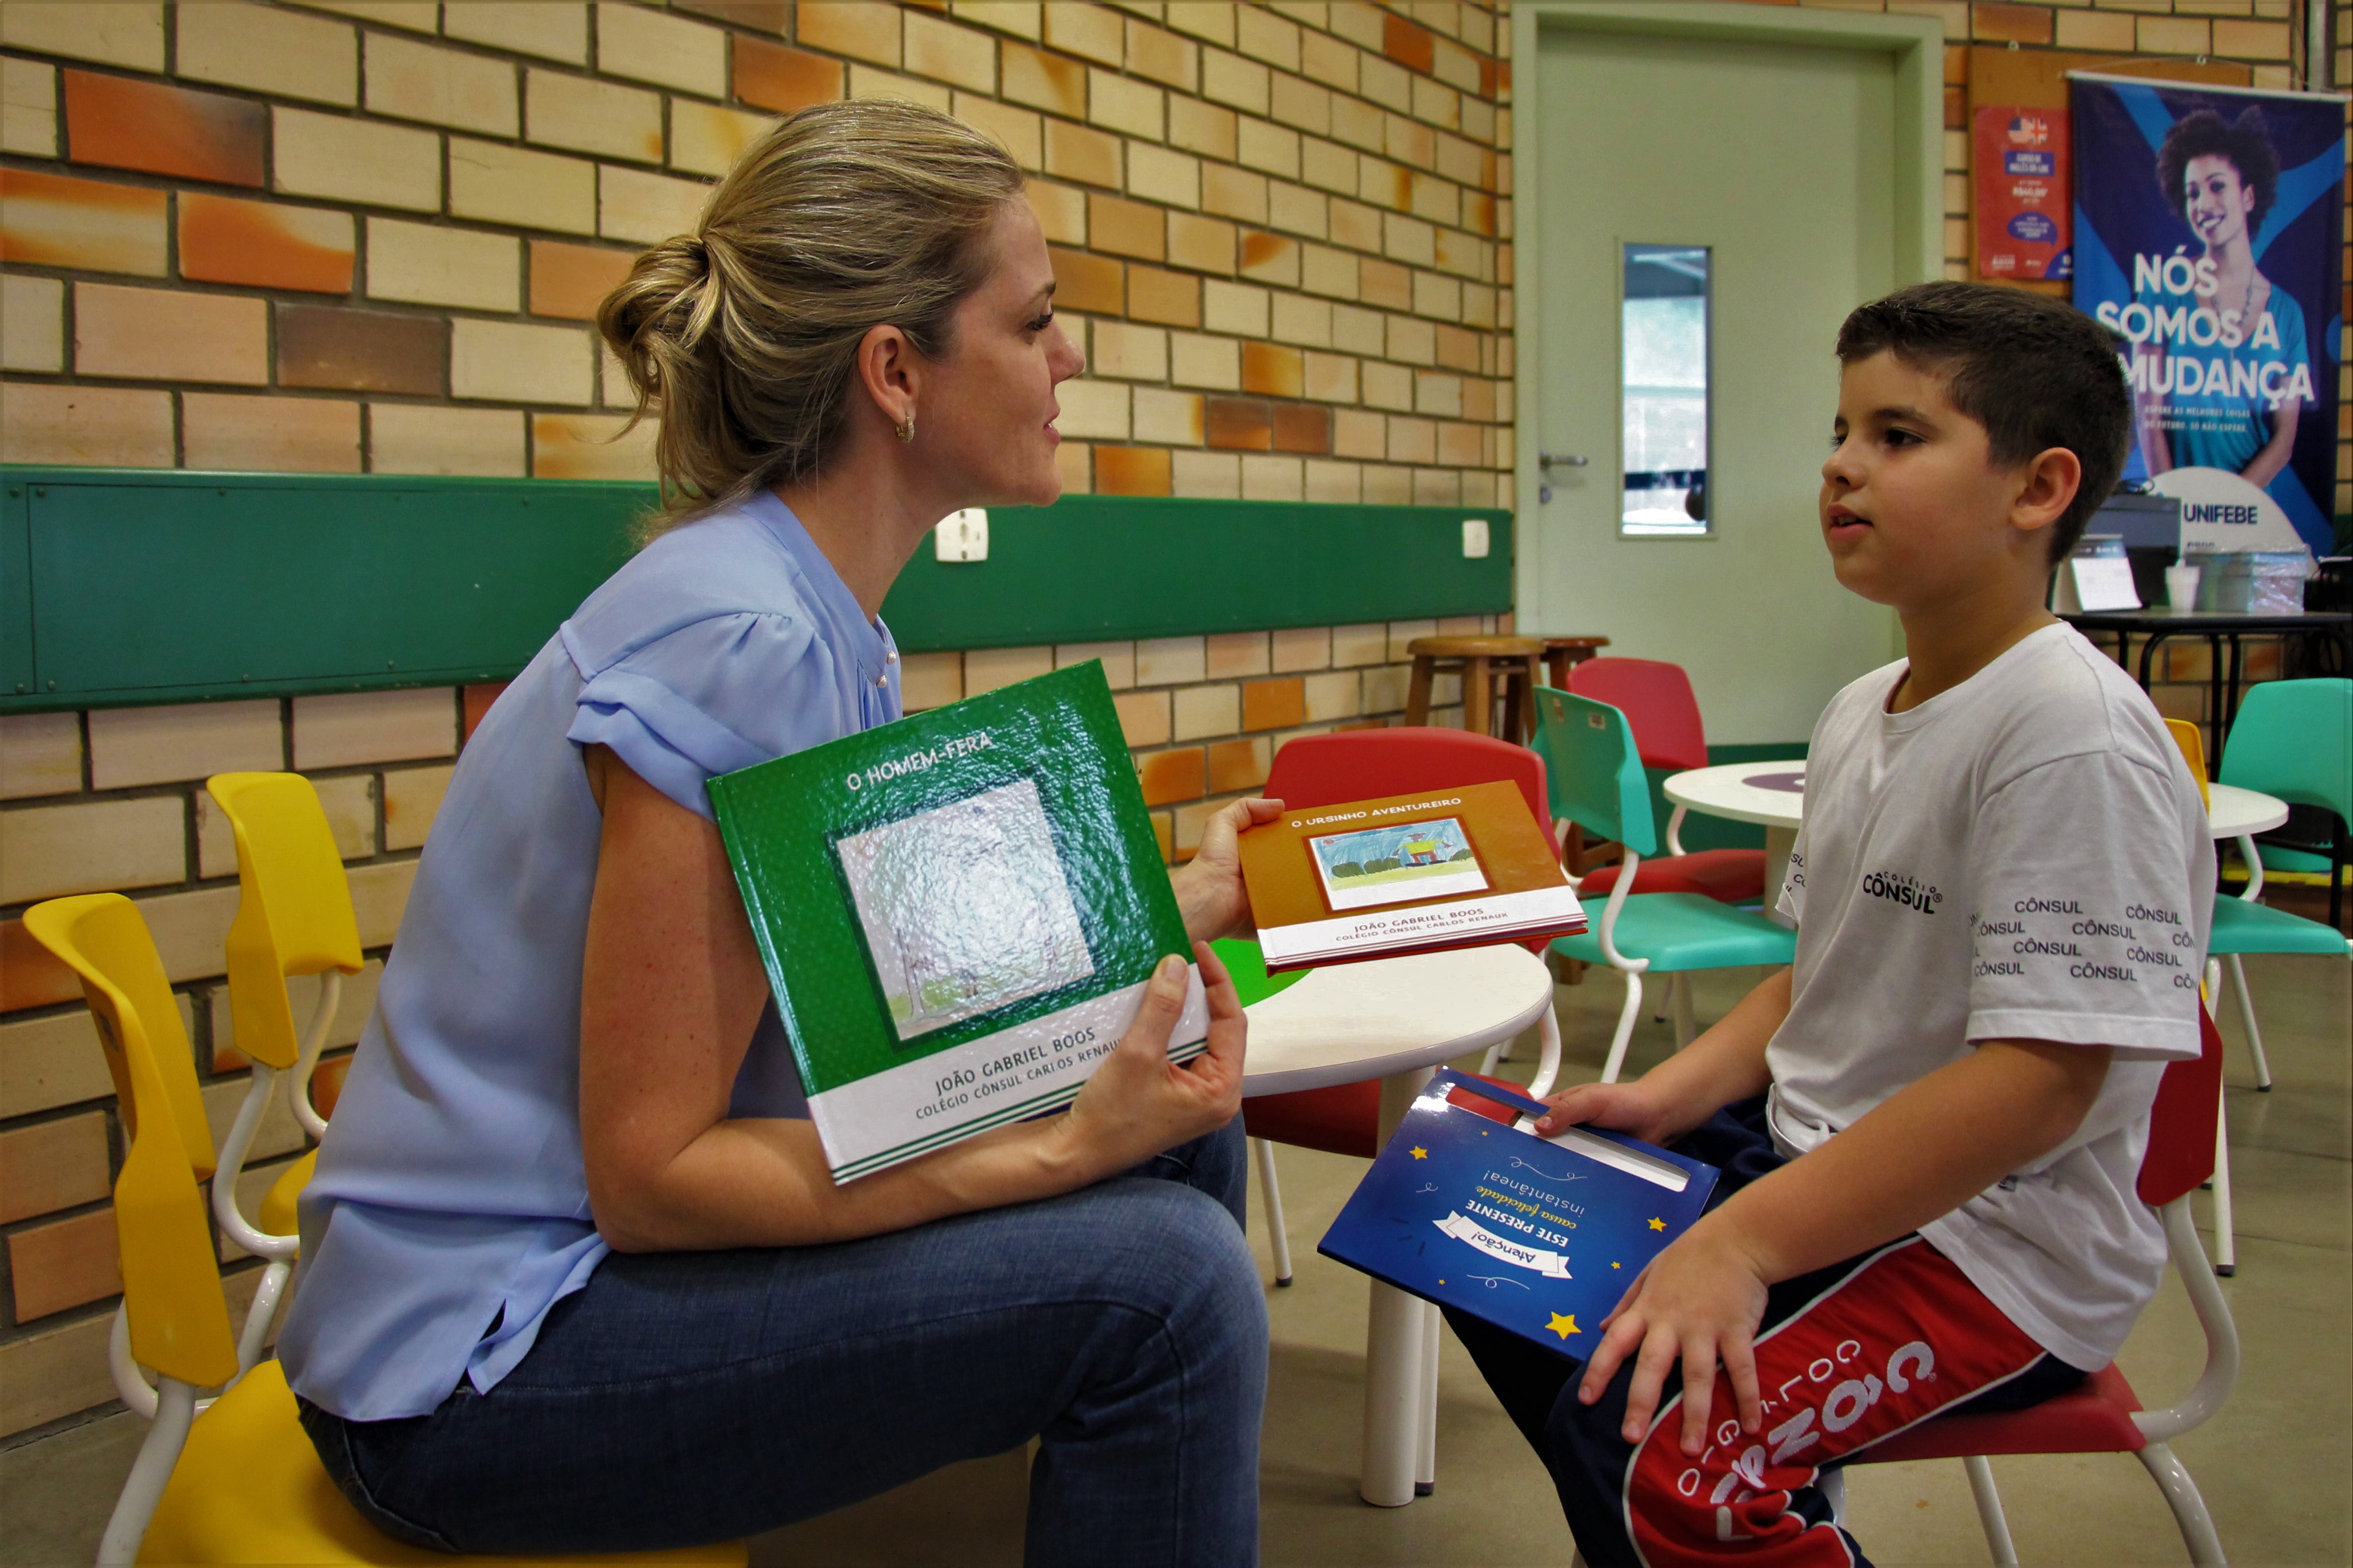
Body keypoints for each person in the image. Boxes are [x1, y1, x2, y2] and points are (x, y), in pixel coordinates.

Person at [277, 100, 1273, 1567]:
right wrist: (1058, 1150)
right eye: (1035, 321)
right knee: (1170, 1286)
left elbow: (852, 981)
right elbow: (656, 1172)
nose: (1069, 360)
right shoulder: (743, 630)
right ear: (894, 372)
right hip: (474, 1361)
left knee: (1179, 1121)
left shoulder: (811, 611)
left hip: (574, 1274)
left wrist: (1162, 904)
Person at [1448, 282, 2214, 1566]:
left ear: (2038, 490)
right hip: (1806, 1159)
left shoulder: (2072, 739)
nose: (1838, 467)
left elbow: (2039, 1087)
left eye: (1897, 437)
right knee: (1490, 1246)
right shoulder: (1862, 707)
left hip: (1991, 1247)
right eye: (1841, 431)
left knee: (1664, 1457)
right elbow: (1814, 975)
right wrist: (1664, 1097)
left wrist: (1740, 1245)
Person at [2133, 106, 2306, 487]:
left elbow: (2283, 441)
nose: (2203, 204)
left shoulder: (2287, 314)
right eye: (2192, 193)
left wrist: (2232, 506)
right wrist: (2173, 503)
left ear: (2247, 196)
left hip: (2252, 513)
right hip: (2175, 504)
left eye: (2217, 186)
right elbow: (2149, 421)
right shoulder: (2163, 291)